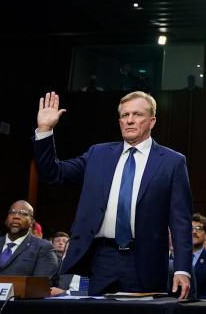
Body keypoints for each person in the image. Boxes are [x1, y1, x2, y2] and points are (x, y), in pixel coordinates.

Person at [33, 91, 193, 298]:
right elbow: (53, 173)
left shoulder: (172, 162)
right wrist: (45, 130)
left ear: (152, 121)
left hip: (147, 260)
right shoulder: (98, 154)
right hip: (102, 258)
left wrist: (182, 269)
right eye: (125, 115)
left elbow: (181, 221)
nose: (130, 120)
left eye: (137, 114)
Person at [0, 200, 58, 278]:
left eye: (23, 213)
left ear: (31, 222)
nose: (16, 216)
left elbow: (38, 285)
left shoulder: (44, 248)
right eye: (12, 212)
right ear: (7, 219)